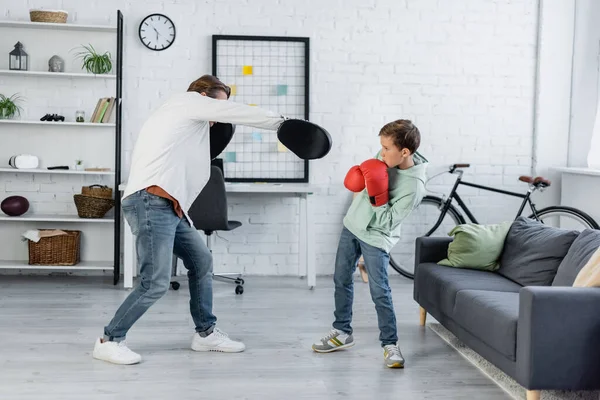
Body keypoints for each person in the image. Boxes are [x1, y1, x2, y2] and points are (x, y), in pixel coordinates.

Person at [93, 75, 288, 365]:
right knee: (154, 283)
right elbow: (235, 112)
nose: (218, 115)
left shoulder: (187, 127)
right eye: (217, 105)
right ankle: (110, 340)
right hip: (151, 200)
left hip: (168, 204)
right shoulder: (187, 103)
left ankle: (205, 334)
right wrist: (282, 123)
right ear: (201, 95)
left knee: (201, 261)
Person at [312, 119, 428, 369]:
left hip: (377, 237)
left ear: (405, 152)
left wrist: (378, 195)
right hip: (352, 226)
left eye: (387, 148)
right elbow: (365, 182)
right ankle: (342, 332)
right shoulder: (386, 157)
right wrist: (360, 195)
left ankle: (390, 344)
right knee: (341, 279)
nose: (381, 152)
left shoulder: (414, 187)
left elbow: (386, 221)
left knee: (379, 291)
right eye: (382, 147)